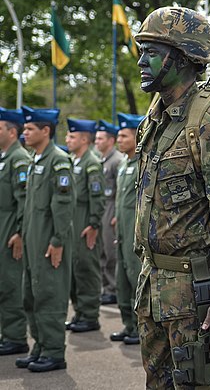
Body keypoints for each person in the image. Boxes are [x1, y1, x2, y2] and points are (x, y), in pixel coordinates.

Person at [134, 6, 210, 388]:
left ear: (185, 57)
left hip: (194, 294)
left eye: (152, 51)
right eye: (142, 50)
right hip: (154, 285)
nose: (141, 61)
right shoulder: (155, 121)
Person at [17, 106, 75, 372]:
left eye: (30, 129)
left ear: (46, 131)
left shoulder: (58, 160)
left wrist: (58, 241)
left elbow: (62, 206)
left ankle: (54, 352)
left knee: (50, 295)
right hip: (33, 239)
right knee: (31, 295)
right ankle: (40, 346)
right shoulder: (34, 160)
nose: (24, 132)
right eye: (24, 128)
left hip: (49, 240)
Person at [64, 118, 105, 333]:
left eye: (71, 136)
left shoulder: (91, 162)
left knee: (87, 269)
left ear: (83, 139)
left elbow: (97, 198)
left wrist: (94, 224)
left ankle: (89, 315)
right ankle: (80, 312)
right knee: (75, 269)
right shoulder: (73, 160)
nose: (67, 139)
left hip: (86, 222)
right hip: (73, 221)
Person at [109, 112, 144, 346]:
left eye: (123, 136)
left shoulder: (142, 163)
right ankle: (128, 324)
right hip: (121, 233)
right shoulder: (124, 165)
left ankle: (140, 328)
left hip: (135, 233)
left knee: (135, 278)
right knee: (121, 280)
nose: (119, 140)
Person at [0, 108, 31, 356]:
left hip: (11, 228)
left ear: (12, 132)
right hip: (3, 225)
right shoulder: (5, 157)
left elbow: (23, 199)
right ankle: (7, 333)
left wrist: (20, 232)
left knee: (10, 283)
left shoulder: (19, 159)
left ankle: (16, 336)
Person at [95, 119, 124, 306]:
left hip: (113, 207)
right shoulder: (102, 159)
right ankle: (106, 287)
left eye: (100, 138)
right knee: (103, 251)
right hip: (103, 207)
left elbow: (119, 190)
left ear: (110, 141)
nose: (96, 141)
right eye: (96, 138)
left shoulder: (117, 160)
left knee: (111, 252)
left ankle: (112, 289)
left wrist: (116, 215)